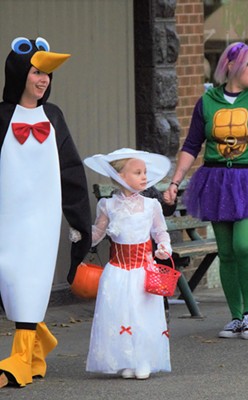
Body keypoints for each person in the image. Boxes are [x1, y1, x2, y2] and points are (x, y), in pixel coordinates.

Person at [163, 42, 248, 340]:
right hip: (217, 181)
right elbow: (192, 145)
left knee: (243, 245)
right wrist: (175, 181)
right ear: (230, 65)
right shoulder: (208, 100)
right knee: (226, 252)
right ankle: (236, 316)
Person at [0, 37, 92, 388]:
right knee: (10, 278)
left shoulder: (53, 117)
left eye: (47, 75)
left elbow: (71, 169)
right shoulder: (2, 116)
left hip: (42, 216)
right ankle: (38, 347)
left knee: (29, 279)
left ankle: (21, 360)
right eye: (37, 72)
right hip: (8, 215)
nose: (43, 80)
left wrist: (79, 221)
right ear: (19, 72)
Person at [83, 148, 172, 380]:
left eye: (145, 172)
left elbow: (160, 232)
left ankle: (143, 359)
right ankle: (124, 359)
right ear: (121, 176)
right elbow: (98, 233)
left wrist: (164, 247)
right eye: (138, 172)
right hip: (117, 271)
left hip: (143, 270)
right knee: (119, 315)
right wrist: (81, 236)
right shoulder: (107, 205)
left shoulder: (151, 205)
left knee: (142, 315)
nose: (144, 177)